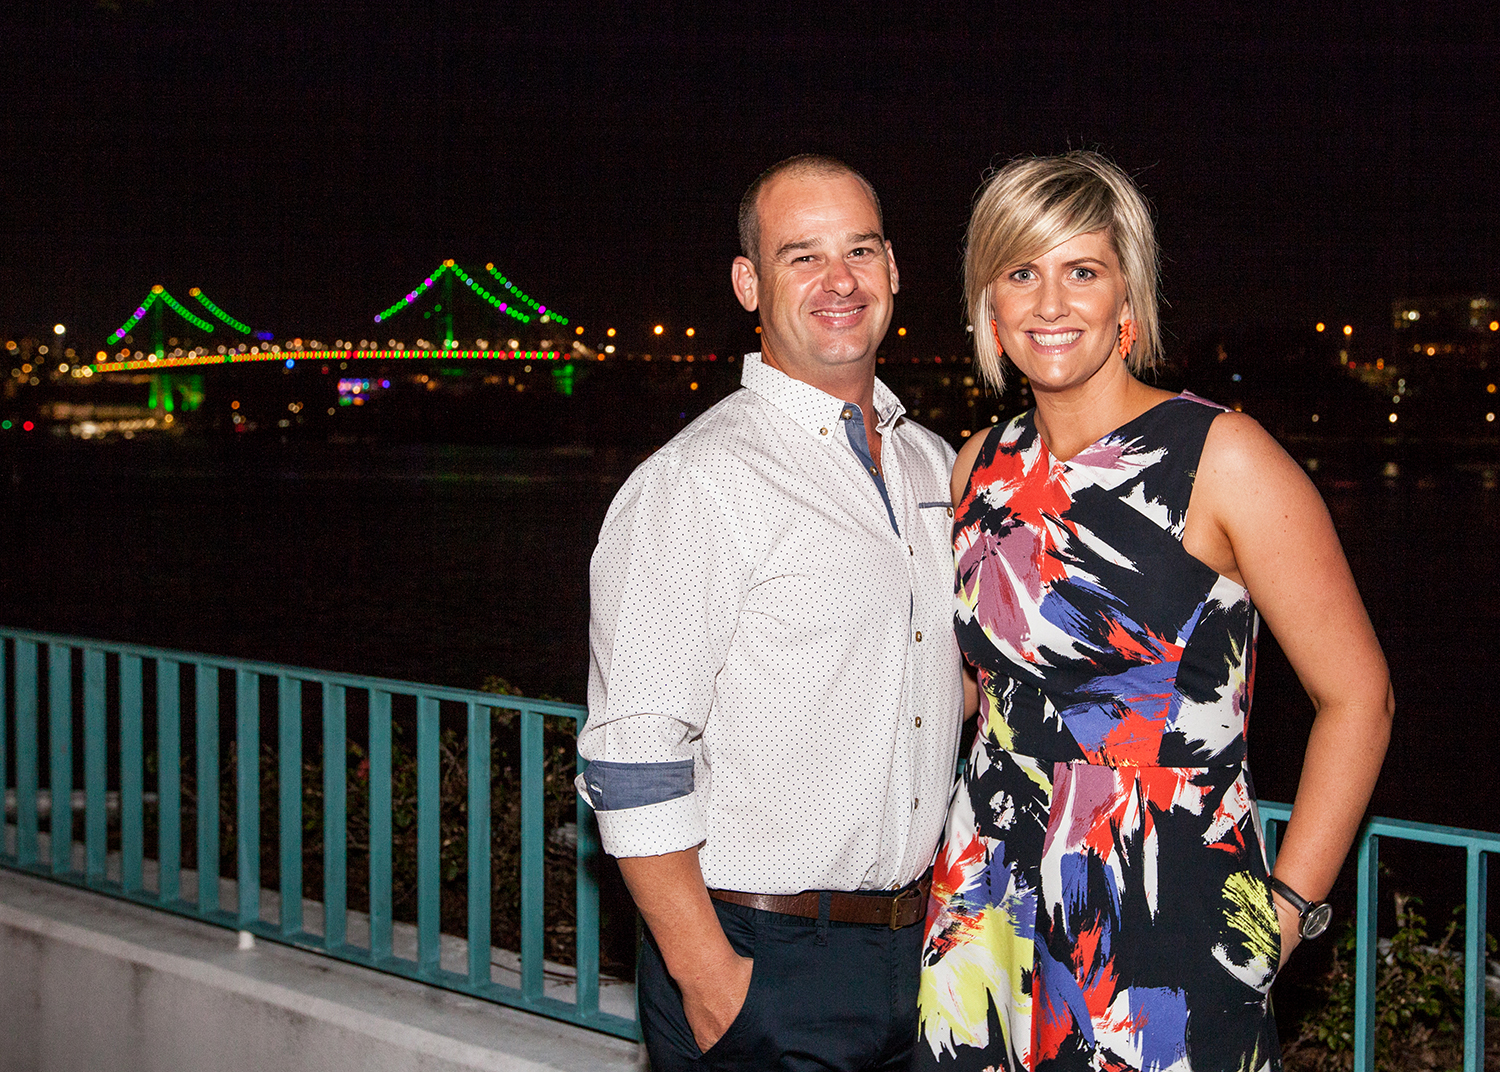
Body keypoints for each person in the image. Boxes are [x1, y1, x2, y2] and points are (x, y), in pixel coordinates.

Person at [915, 152, 1393, 1072]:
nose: (1051, 303)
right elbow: (977, 694)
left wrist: (1284, 914)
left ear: (1126, 295)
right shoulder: (977, 463)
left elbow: (1359, 701)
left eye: (1081, 271)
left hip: (1168, 907)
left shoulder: (1223, 457)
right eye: (1022, 272)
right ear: (989, 305)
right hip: (985, 901)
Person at [577, 154, 966, 1071]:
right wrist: (712, 982)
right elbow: (633, 757)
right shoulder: (697, 481)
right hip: (757, 954)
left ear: (894, 271)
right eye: (802, 256)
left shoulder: (936, 468)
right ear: (749, 284)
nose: (839, 282)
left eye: (859, 251)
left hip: (920, 949)